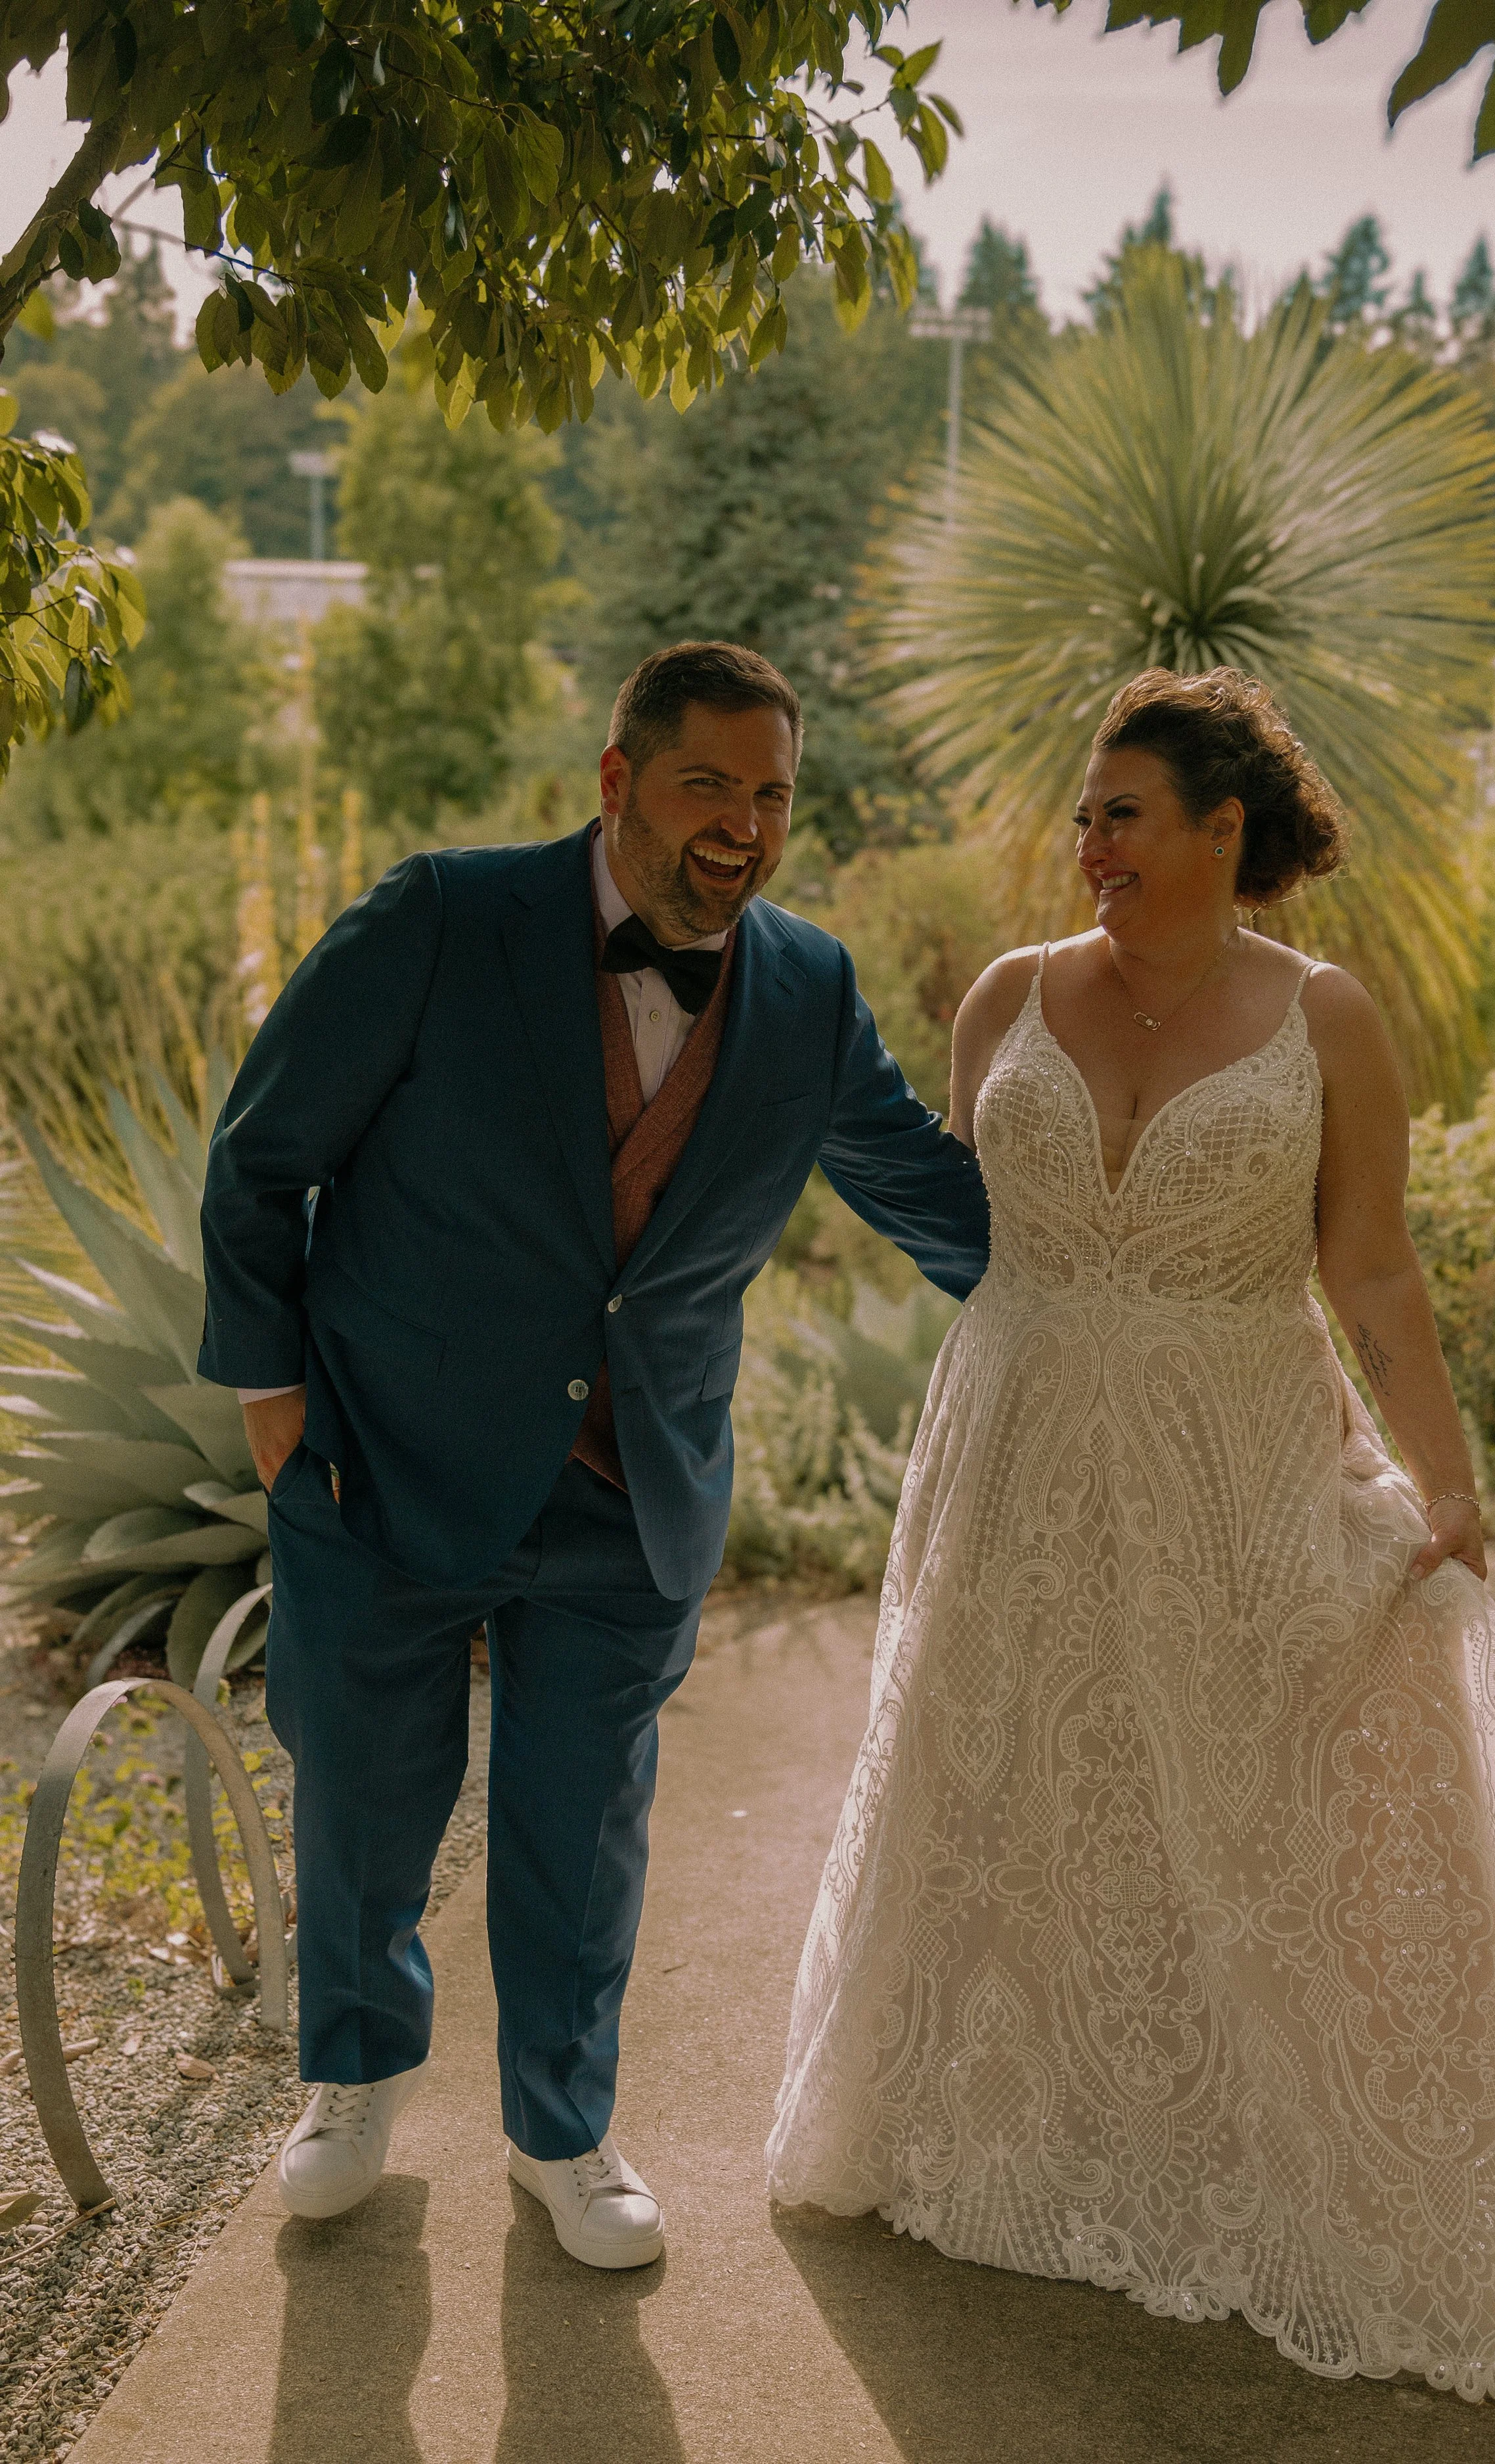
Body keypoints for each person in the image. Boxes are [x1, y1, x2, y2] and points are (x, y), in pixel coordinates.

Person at [767, 665, 1495, 2401]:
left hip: (1230, 1456)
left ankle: (1245, 2157)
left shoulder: (1327, 1019)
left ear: (1220, 827)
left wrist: (1445, 1482)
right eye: (1081, 816)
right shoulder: (1008, 995)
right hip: (1017, 1449)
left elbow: (1369, 1266)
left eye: (1122, 815)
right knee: (1014, 1769)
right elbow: (981, 1231)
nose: (1086, 845)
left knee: (1234, 1790)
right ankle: (1025, 2126)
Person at [198, 639, 989, 2267]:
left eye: (771, 795)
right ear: (618, 778)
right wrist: (275, 1403)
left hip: (630, 1491)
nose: (743, 826)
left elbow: (924, 1190)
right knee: (365, 1799)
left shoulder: (806, 989)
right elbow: (263, 1155)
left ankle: (562, 2133)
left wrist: (1143, 1268)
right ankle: (353, 2078)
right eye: (708, 784)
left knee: (583, 1832)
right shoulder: (443, 916)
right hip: (381, 1461)